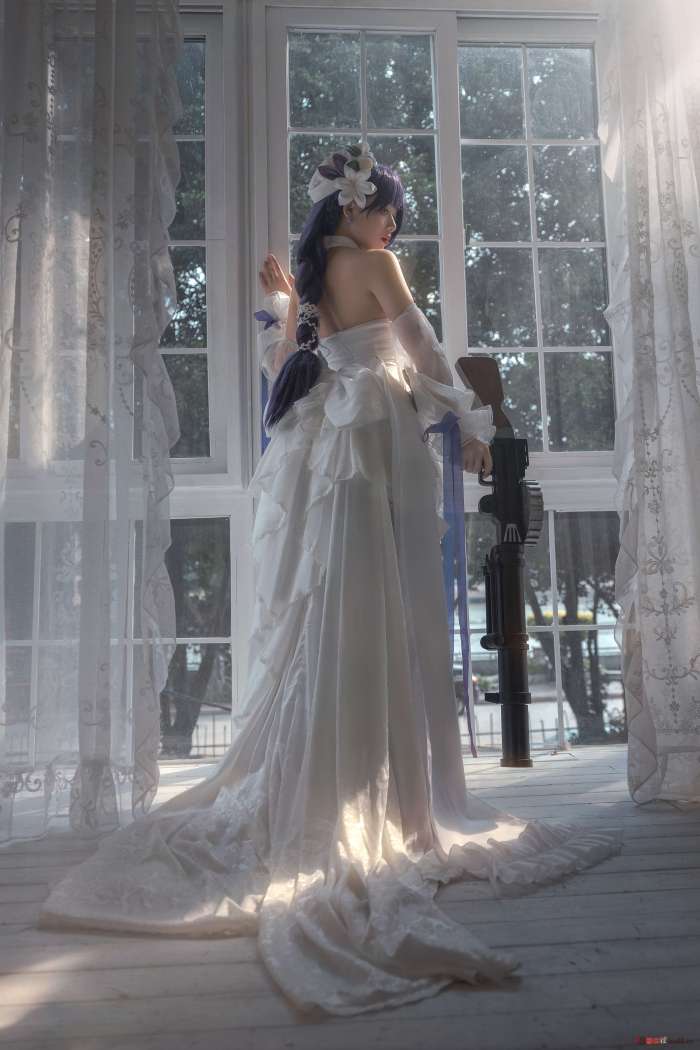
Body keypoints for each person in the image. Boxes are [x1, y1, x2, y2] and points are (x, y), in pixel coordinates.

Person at [37, 142, 623, 1017]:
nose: (392, 226)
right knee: (388, 602)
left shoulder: (316, 281)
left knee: (338, 604)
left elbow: (290, 368)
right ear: (356, 208)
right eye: (387, 210)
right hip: (376, 432)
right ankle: (383, 786)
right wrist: (471, 425)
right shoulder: (376, 265)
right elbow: (423, 349)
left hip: (333, 442)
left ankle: (337, 772)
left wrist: (284, 305)